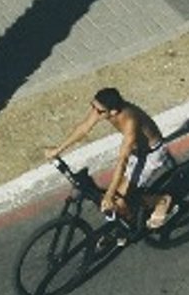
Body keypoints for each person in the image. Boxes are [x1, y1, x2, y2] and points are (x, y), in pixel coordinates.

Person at [49, 84, 175, 233]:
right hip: (137, 151)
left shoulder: (130, 122)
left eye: (99, 111)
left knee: (119, 200)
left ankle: (162, 200)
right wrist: (58, 149)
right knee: (116, 200)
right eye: (93, 107)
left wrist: (109, 194)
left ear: (113, 111)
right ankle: (126, 223)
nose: (95, 113)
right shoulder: (104, 109)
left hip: (150, 155)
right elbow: (84, 128)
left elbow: (122, 161)